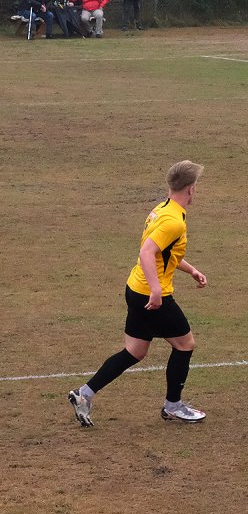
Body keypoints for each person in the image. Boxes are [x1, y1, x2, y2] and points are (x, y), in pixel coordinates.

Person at [68, 160, 209, 427]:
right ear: (190, 189)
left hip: (135, 288)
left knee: (135, 350)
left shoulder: (162, 210)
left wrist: (191, 270)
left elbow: (162, 253)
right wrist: (156, 290)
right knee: (185, 344)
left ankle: (84, 394)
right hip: (152, 296)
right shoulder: (174, 222)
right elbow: (147, 252)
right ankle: (173, 406)